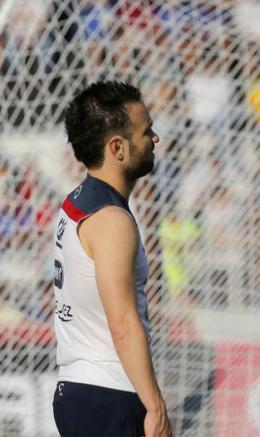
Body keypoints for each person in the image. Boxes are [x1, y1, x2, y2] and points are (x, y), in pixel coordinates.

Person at [52, 81, 172, 437]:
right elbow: (121, 321)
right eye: (146, 130)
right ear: (117, 147)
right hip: (110, 394)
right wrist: (155, 407)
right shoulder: (111, 220)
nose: (155, 138)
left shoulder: (75, 202)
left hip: (78, 390)